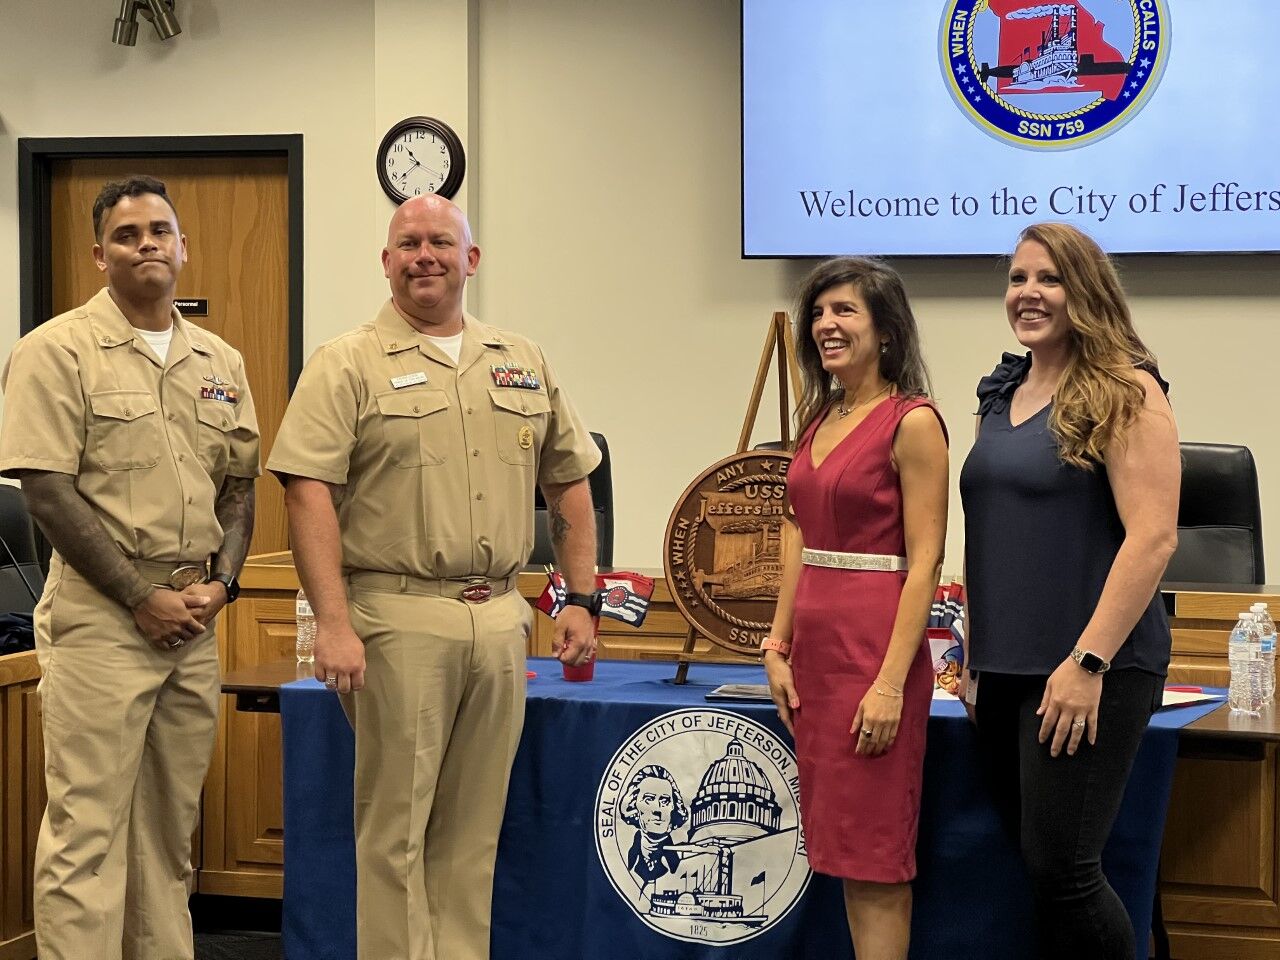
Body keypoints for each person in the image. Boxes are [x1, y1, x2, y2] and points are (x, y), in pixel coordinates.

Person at [268, 194, 600, 960]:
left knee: (472, 832)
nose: (426, 255)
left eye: (442, 242)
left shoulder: (521, 359)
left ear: (470, 259)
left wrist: (580, 597)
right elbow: (306, 487)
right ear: (387, 262)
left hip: (499, 621)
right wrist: (334, 623)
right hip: (396, 618)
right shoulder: (346, 361)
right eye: (409, 243)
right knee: (395, 833)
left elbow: (571, 479)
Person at [0, 175, 260, 960]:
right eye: (127, 234)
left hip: (192, 619)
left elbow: (240, 485)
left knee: (169, 833)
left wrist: (225, 584)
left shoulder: (219, 358)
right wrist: (140, 595)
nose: (146, 243)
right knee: (87, 834)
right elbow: (46, 490)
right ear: (99, 255)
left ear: (183, 246)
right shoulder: (54, 350)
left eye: (159, 231)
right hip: (102, 619)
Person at [959, 222, 1179, 960]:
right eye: (1018, 279)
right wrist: (972, 652)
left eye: (1048, 279)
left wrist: (1088, 664)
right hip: (1005, 670)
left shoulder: (1126, 387)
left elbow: (1153, 537)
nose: (1028, 293)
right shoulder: (1001, 392)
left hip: (1090, 670)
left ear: (1084, 290)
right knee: (1036, 869)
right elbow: (993, 528)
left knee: (1067, 872)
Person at [763, 257, 949, 960]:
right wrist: (775, 646)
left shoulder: (913, 422)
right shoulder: (823, 416)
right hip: (816, 658)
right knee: (841, 855)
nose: (826, 325)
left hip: (876, 657)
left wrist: (890, 684)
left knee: (876, 863)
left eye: (845, 311)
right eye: (818, 312)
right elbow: (797, 528)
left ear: (886, 329)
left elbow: (926, 559)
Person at [620, 764, 687, 885]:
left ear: (674, 807)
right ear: (634, 805)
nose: (658, 810)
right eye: (649, 799)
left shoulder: (684, 864)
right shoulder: (623, 860)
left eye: (665, 801)